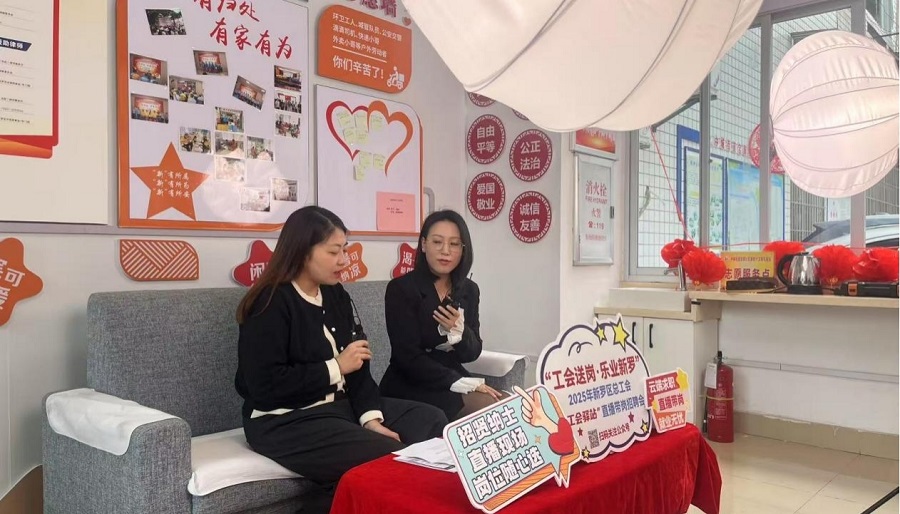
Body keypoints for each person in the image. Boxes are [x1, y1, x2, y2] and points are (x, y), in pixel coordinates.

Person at [235, 206, 447, 513]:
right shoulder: (269, 302)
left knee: (431, 421)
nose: (344, 260)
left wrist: (370, 419)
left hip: (338, 408)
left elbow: (358, 364)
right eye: (334, 252)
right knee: (391, 459)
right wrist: (335, 367)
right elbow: (263, 385)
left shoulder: (335, 295)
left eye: (345, 250)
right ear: (302, 252)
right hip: (282, 420)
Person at [380, 210, 503, 421]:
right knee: (485, 408)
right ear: (424, 244)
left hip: (451, 375)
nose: (445, 251)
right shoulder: (401, 289)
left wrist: (461, 334)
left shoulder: (469, 289)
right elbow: (406, 356)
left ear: (463, 249)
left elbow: (472, 353)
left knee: (505, 404)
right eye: (437, 242)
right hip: (410, 382)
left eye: (454, 244)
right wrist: (457, 381)